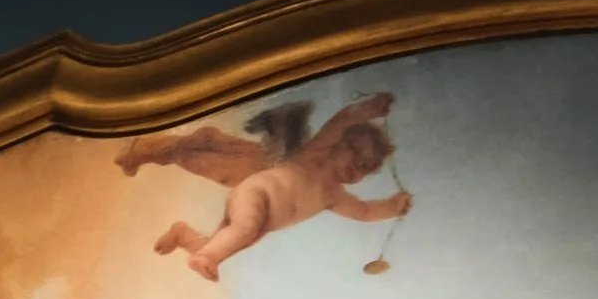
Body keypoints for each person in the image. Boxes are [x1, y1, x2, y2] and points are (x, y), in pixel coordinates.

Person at [122, 92, 411, 282]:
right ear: (339, 143)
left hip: (262, 222)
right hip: (256, 193)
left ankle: (184, 236)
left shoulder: (334, 196)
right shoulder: (314, 156)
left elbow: (363, 211)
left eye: (364, 167)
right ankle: (207, 257)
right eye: (354, 152)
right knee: (238, 234)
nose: (356, 165)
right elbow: (343, 120)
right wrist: (370, 109)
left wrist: (391, 207)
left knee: (235, 239)